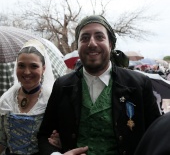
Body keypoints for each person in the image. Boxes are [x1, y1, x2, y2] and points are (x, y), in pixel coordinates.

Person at [37, 15, 160, 155]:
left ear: (111, 44)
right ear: (77, 46)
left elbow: (157, 136)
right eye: (84, 38)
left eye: (99, 37)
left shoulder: (139, 85)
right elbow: (44, 136)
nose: (92, 43)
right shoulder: (62, 86)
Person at [0, 39, 55, 155]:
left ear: (43, 69)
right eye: (21, 66)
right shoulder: (6, 100)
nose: (27, 72)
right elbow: (1, 141)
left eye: (34, 66)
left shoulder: (52, 100)